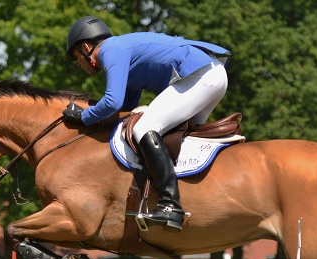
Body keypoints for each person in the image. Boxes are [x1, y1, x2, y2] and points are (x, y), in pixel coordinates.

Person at [63, 16, 231, 232]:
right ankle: (193, 198)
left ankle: (170, 205)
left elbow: (112, 102)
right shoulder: (124, 55)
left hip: (200, 76)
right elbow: (123, 108)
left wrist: (84, 117)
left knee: (144, 127)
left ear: (86, 47)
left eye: (77, 57)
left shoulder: (110, 50)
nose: (79, 64)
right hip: (212, 74)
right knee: (176, 138)